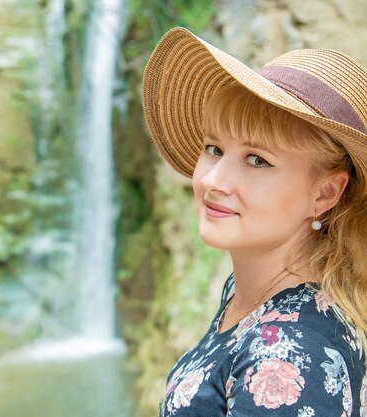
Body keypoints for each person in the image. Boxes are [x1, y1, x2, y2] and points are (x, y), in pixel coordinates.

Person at [142, 27, 367, 416]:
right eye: (213, 149)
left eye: (258, 160)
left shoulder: (290, 354)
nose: (212, 180)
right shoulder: (249, 292)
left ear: (325, 194)